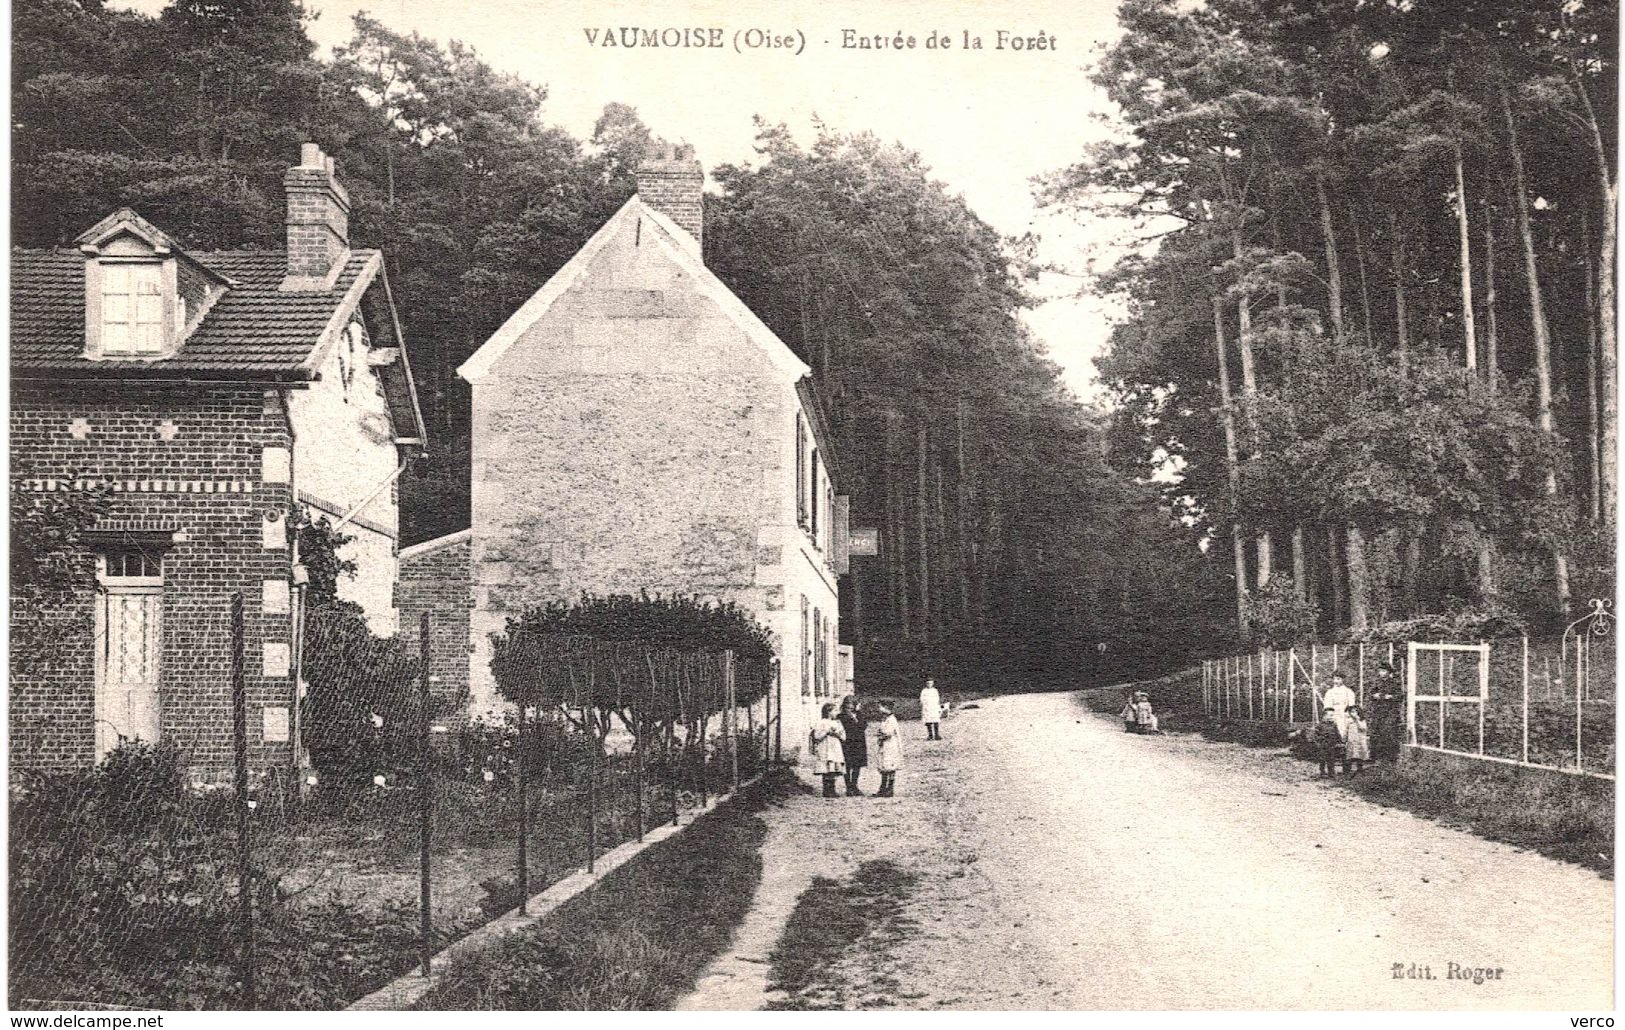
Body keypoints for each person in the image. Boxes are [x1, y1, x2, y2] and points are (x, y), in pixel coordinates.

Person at [1368, 662, 1404, 760]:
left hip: (1390, 710)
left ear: (1388, 672)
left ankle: (1391, 755)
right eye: (1380, 671)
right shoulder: (1376, 682)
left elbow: (1400, 695)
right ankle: (1377, 756)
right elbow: (1370, 693)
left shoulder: (1394, 683)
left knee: (1389, 731)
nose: (1382, 673)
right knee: (1376, 731)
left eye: (1384, 671)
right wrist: (1374, 696)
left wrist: (1391, 696)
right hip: (1378, 710)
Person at [810, 702, 846, 798]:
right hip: (825, 747)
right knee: (826, 768)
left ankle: (832, 789)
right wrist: (826, 731)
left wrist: (837, 734)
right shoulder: (821, 722)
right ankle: (826, 790)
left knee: (833, 768)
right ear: (828, 712)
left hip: (835, 747)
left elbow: (844, 737)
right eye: (834, 711)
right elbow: (817, 736)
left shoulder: (837, 723)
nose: (836, 713)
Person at [837, 695, 869, 796]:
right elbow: (846, 728)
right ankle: (848, 786)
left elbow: (863, 726)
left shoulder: (859, 715)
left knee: (857, 765)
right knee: (847, 765)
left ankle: (854, 785)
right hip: (847, 743)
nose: (850, 708)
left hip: (859, 743)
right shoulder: (841, 716)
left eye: (852, 706)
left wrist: (856, 716)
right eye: (848, 706)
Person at [873, 702, 901, 797]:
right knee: (884, 765)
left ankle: (889, 788)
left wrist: (881, 735)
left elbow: (888, 733)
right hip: (885, 744)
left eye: (880, 707)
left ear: (886, 708)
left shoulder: (891, 719)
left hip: (890, 744)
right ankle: (883, 788)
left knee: (890, 765)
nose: (879, 709)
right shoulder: (885, 719)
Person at [1319, 671, 1357, 739]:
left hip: (1344, 715)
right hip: (1334, 715)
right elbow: (1328, 704)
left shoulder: (1348, 691)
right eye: (1334, 679)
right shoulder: (1330, 692)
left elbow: (1351, 704)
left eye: (1338, 679)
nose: (1335, 681)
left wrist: (1348, 714)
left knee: (1344, 733)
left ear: (1343, 680)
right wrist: (1330, 714)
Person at [1312, 709, 1344, 778]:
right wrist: (1318, 743)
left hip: (1331, 745)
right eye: (1330, 715)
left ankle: (1331, 773)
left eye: (1333, 715)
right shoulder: (1320, 725)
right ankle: (1322, 772)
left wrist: (1340, 741)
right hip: (1323, 745)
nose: (1332, 717)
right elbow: (1315, 735)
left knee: (1331, 759)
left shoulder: (1334, 725)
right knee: (1322, 759)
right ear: (1324, 716)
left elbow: (1337, 733)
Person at [1343, 705, 1371, 775]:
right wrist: (1344, 739)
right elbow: (1346, 731)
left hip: (1360, 741)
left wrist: (1357, 720)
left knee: (1360, 755)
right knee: (1350, 756)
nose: (1353, 714)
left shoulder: (1362, 720)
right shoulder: (1349, 721)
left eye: (1354, 712)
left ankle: (1360, 770)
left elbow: (1363, 728)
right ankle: (1348, 772)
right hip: (1351, 741)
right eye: (1351, 712)